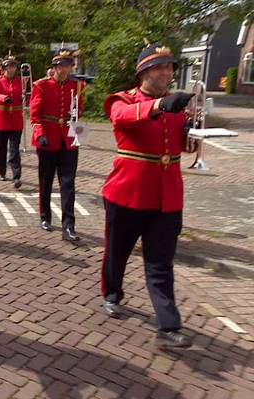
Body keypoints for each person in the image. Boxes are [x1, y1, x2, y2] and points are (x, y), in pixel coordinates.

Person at [100, 42, 195, 348]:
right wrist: (159, 106)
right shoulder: (124, 99)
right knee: (117, 252)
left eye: (169, 68)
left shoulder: (175, 106)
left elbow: (183, 146)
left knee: (161, 263)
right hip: (128, 193)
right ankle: (112, 293)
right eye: (159, 68)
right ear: (143, 73)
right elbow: (122, 117)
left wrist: (194, 133)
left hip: (168, 197)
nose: (166, 73)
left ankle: (168, 326)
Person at [29, 48, 84, 241]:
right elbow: (34, 116)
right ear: (54, 67)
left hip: (68, 141)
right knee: (46, 181)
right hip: (47, 139)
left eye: (68, 65)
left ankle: (68, 226)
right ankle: (45, 216)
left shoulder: (77, 86)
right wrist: (40, 134)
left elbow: (78, 113)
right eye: (61, 65)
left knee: (68, 183)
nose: (64, 69)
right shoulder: (42, 86)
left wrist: (78, 135)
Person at [0, 53, 24, 188]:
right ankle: (1, 171)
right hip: (1, 120)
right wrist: (3, 98)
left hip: (16, 120)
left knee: (14, 150)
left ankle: (16, 176)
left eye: (14, 66)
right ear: (4, 68)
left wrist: (24, 98)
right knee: (1, 149)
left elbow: (26, 96)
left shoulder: (21, 81)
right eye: (9, 66)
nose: (12, 69)